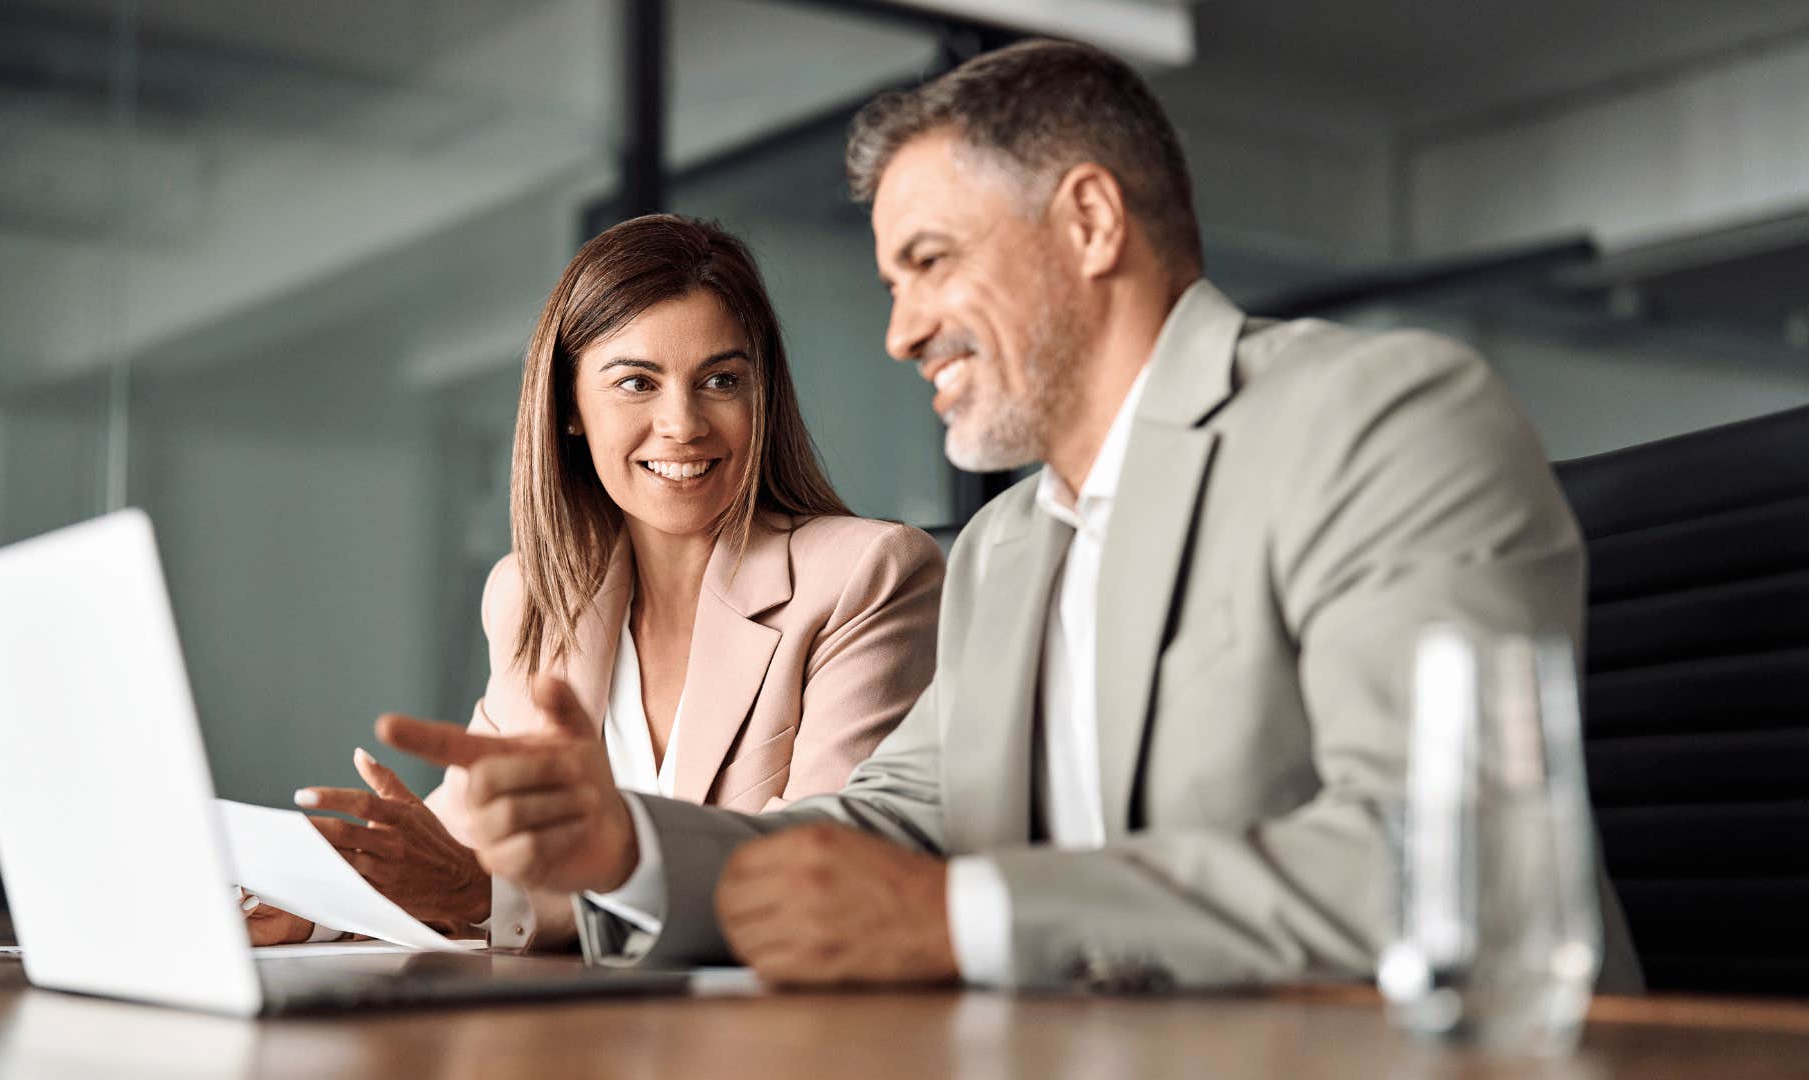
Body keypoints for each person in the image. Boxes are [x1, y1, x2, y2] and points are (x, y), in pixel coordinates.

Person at [379, 40, 1643, 991]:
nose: (898, 330)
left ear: (1089, 222)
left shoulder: (1378, 417)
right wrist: (625, 847)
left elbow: (1448, 865)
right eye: (889, 282)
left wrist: (960, 921)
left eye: (929, 261)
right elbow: (881, 827)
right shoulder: (1008, 553)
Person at [244, 214, 943, 950]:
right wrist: (316, 906)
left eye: (721, 380)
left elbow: (828, 873)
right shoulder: (532, 595)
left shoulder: (867, 575)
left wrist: (495, 897)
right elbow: (460, 848)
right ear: (570, 408)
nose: (682, 423)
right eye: (637, 383)